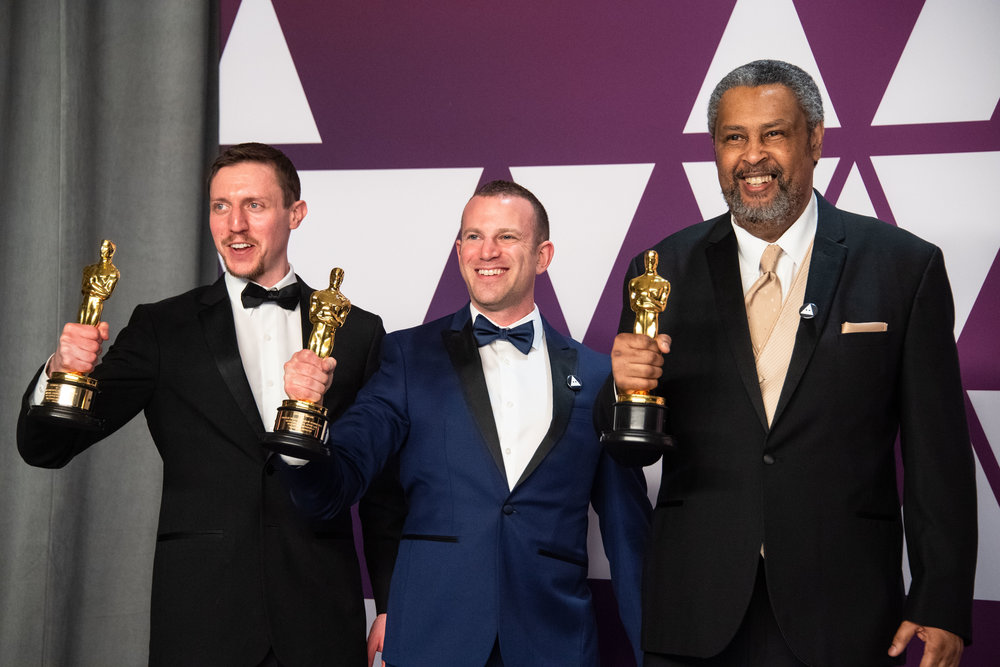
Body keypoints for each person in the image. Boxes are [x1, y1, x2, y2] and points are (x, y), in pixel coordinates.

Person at [601, 60, 977, 667]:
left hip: (845, 612)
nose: (753, 156)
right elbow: (632, 448)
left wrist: (941, 597)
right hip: (695, 612)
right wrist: (619, 391)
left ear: (816, 139)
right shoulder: (661, 268)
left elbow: (939, 455)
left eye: (773, 133)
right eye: (733, 138)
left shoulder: (904, 267)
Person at [17, 142, 405, 666]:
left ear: (296, 213)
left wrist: (389, 602)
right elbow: (47, 448)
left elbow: (383, 488)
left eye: (255, 205)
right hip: (201, 618)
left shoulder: (359, 331)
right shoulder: (162, 328)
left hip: (318, 616)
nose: (235, 225)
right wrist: (62, 372)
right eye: (220, 206)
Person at [279, 180, 651, 666]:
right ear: (458, 251)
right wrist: (302, 427)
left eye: (507, 237)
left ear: (543, 255)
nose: (487, 251)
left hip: (554, 643)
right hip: (432, 640)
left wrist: (653, 652)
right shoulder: (408, 356)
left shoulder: (601, 375)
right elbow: (335, 484)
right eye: (473, 237)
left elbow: (628, 537)